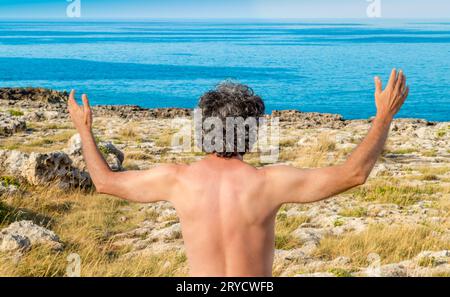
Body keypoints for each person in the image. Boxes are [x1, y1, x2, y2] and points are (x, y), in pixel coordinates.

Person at [68, 69, 409, 277]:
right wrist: (383, 117)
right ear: (251, 133)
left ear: (204, 130)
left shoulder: (177, 179)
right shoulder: (269, 183)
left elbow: (105, 182)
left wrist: (85, 130)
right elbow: (353, 174)